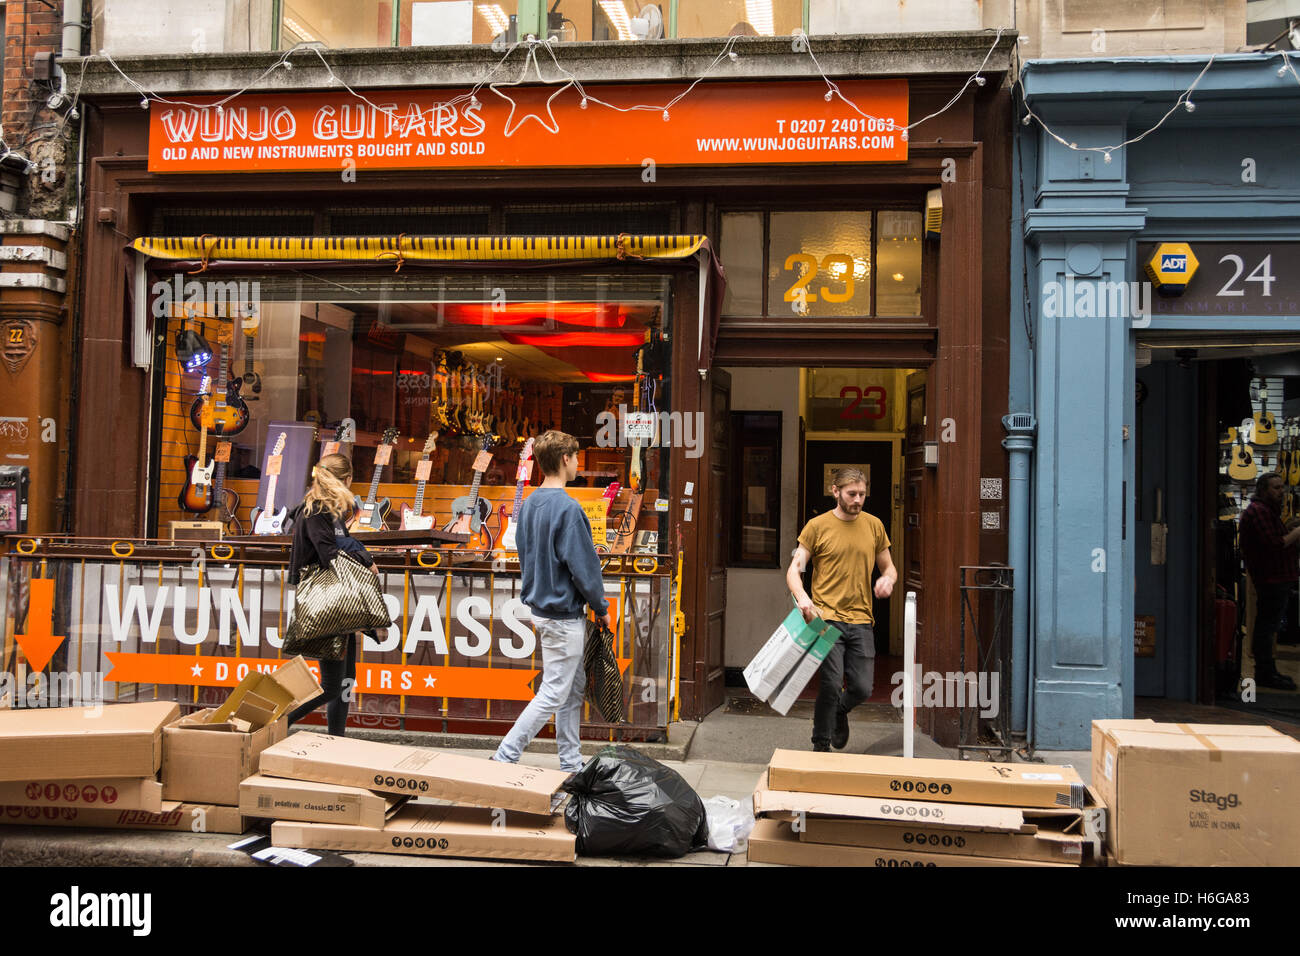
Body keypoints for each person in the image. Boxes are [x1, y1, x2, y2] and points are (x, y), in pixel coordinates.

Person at [493, 430, 613, 773]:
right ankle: (506, 755)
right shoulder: (569, 509)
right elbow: (583, 567)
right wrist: (601, 607)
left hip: (544, 609)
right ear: (565, 459)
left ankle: (571, 763)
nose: (578, 463)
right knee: (555, 692)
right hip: (563, 614)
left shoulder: (530, 503)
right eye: (576, 457)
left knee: (570, 690)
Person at [787, 467, 898, 752]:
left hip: (861, 619)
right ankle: (820, 743)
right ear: (835, 491)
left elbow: (889, 567)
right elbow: (794, 570)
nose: (858, 499)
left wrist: (888, 579)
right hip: (826, 619)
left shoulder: (874, 526)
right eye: (852, 494)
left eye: (862, 494)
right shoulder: (817, 526)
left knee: (862, 688)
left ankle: (839, 711)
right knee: (831, 682)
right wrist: (802, 598)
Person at [285, 453, 379, 734]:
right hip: (325, 599)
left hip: (336, 598)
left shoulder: (329, 511)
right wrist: (365, 561)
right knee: (331, 684)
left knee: (345, 680)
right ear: (346, 479)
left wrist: (364, 556)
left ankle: (337, 740)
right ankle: (278, 723)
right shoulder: (316, 511)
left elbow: (343, 544)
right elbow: (329, 553)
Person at [1238, 472, 1300, 690]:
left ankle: (1267, 671)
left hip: (1277, 577)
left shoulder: (1266, 511)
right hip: (1272, 577)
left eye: (1282, 488)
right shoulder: (1259, 512)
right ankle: (1264, 673)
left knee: (1269, 626)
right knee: (1266, 627)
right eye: (1276, 488)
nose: (1281, 492)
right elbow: (1275, 544)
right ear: (1263, 490)